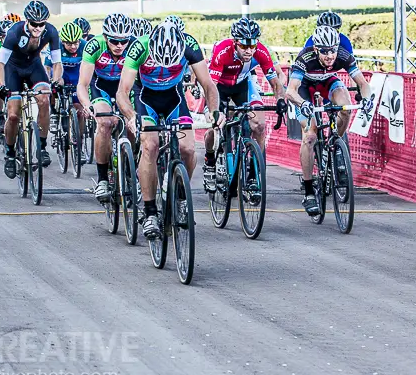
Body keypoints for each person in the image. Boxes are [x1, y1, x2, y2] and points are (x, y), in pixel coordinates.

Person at [118, 22, 222, 239]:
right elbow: (123, 91)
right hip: (145, 97)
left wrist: (214, 112)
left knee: (188, 149)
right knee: (151, 145)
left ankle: (181, 198)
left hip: (174, 97)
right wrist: (131, 116)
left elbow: (209, 85)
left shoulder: (189, 44)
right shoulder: (139, 47)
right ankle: (150, 213)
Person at [285, 25, 372, 216]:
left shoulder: (342, 54)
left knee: (345, 106)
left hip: (328, 82)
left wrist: (367, 99)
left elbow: (363, 84)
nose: (330, 55)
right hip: (304, 88)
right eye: (324, 51)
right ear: (316, 49)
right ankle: (308, 192)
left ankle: (335, 145)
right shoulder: (305, 57)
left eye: (332, 49)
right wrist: (302, 104)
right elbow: (290, 91)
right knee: (309, 136)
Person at [203, 17, 287, 192]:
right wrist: (215, 111)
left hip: (242, 86)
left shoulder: (261, 52)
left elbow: (275, 83)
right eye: (244, 46)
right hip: (218, 87)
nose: (249, 50)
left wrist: (280, 100)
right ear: (235, 43)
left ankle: (253, 172)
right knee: (214, 126)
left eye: (252, 45)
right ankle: (210, 160)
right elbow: (210, 86)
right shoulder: (223, 50)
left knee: (260, 125)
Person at [0, 0, 61, 178]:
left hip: (34, 67)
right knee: (14, 114)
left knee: (45, 98)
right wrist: (1, 85)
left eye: (42, 24)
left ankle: (43, 145)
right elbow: (0, 63)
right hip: (13, 69)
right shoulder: (14, 32)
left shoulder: (51, 32)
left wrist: (55, 81)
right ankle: (9, 153)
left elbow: (57, 62)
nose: (38, 27)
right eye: (34, 24)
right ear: (27, 21)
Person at [77, 14, 135, 202]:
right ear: (105, 37)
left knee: (133, 125)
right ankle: (102, 179)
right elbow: (82, 85)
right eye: (114, 41)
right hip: (100, 86)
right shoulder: (94, 46)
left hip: (126, 88)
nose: (119, 45)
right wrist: (87, 105)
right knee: (105, 123)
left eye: (124, 41)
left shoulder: (134, 47)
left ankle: (130, 169)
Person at [46, 21, 86, 137]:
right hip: (61, 73)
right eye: (69, 44)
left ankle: (79, 140)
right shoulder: (55, 46)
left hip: (76, 74)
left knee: (79, 111)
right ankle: (54, 112)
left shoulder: (84, 45)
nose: (73, 47)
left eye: (75, 43)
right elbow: (48, 67)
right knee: (54, 85)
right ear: (62, 42)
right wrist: (49, 81)